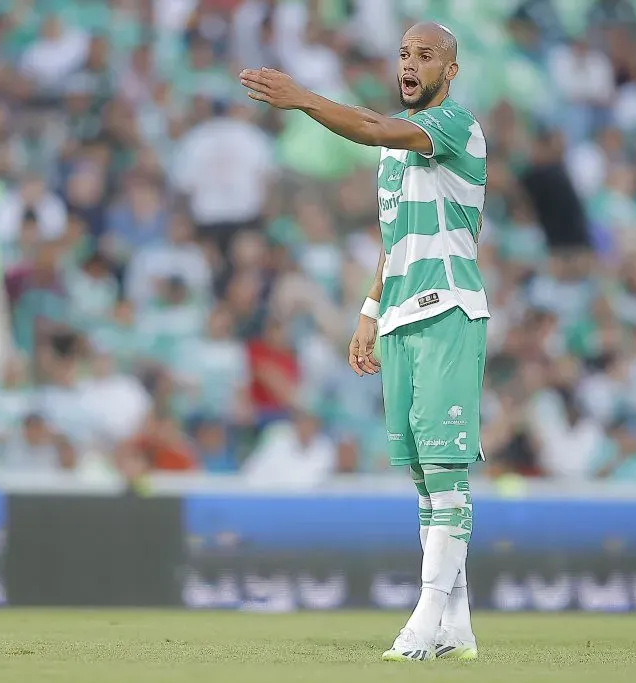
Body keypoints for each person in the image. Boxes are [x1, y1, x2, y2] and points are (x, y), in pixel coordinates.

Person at [242, 22, 484, 662]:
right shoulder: (394, 154)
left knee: (444, 467)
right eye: (405, 53)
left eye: (425, 56)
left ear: (449, 71)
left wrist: (302, 98)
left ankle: (426, 614)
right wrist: (370, 312)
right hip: (403, 314)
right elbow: (394, 240)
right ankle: (456, 622)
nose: (411, 64)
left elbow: (374, 127)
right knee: (421, 476)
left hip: (450, 308)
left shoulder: (454, 125)